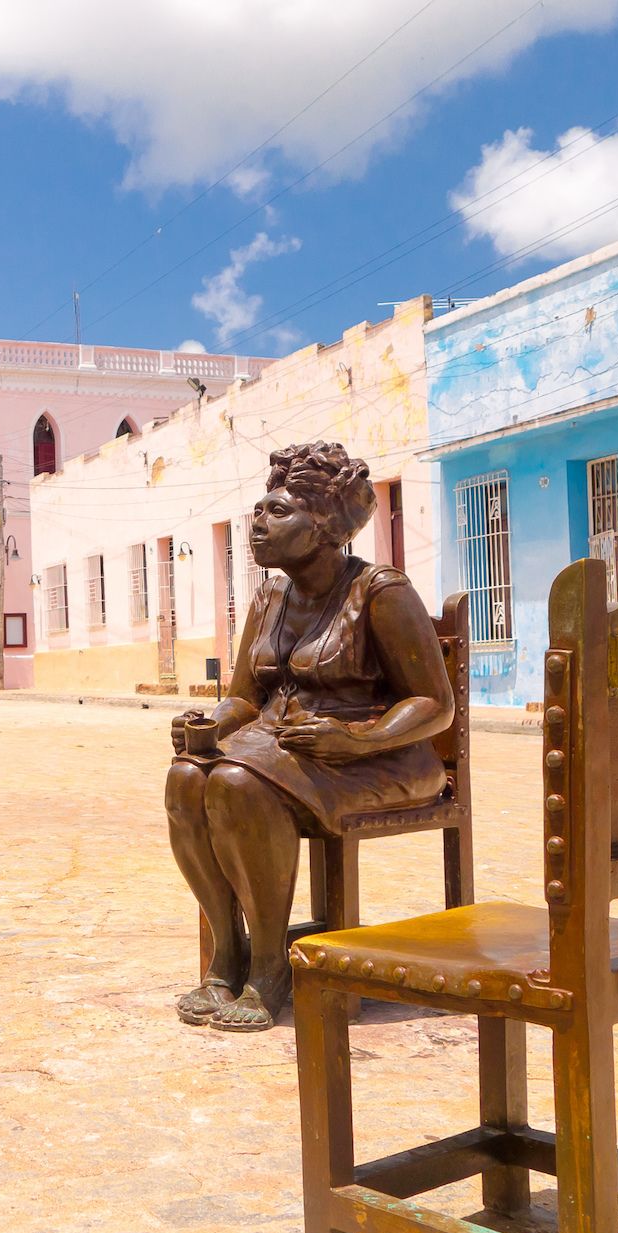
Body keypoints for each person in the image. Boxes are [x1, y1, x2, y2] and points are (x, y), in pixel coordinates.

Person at [166, 442, 455, 1032]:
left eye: (277, 512)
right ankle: (230, 952)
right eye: (258, 511)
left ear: (324, 526)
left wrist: (362, 740)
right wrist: (209, 725)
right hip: (284, 746)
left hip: (381, 755)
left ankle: (271, 967)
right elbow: (245, 696)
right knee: (185, 776)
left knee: (238, 784)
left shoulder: (381, 591)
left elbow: (435, 704)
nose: (258, 524)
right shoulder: (271, 595)